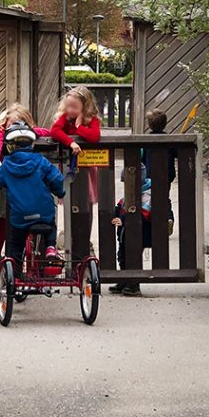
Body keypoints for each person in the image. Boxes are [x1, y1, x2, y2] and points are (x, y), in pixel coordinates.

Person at [0, 104, 50, 272]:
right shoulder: (0, 132)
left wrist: (62, 134)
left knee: (6, 218)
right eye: (11, 124)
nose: (15, 129)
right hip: (1, 177)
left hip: (16, 183)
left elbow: (45, 132)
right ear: (5, 124)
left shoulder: (29, 134)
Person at [0, 121, 66, 270]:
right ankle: (50, 247)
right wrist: (60, 192)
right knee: (51, 224)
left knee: (16, 243)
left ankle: (14, 272)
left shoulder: (7, 165)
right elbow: (57, 178)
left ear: (10, 145)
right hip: (43, 213)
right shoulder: (41, 161)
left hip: (20, 216)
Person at [49, 85, 102, 204]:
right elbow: (54, 131)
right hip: (68, 163)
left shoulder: (92, 120)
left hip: (87, 164)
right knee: (69, 198)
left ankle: (86, 221)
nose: (70, 110)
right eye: (68, 106)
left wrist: (79, 126)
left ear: (85, 107)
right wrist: (71, 142)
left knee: (85, 200)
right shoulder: (65, 117)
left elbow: (94, 136)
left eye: (75, 107)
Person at [110, 166, 153, 296]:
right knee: (122, 256)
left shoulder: (147, 195)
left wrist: (124, 219)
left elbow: (143, 213)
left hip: (138, 233)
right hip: (125, 233)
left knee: (133, 258)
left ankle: (134, 284)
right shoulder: (129, 193)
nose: (125, 186)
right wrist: (116, 212)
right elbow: (122, 205)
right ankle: (124, 280)